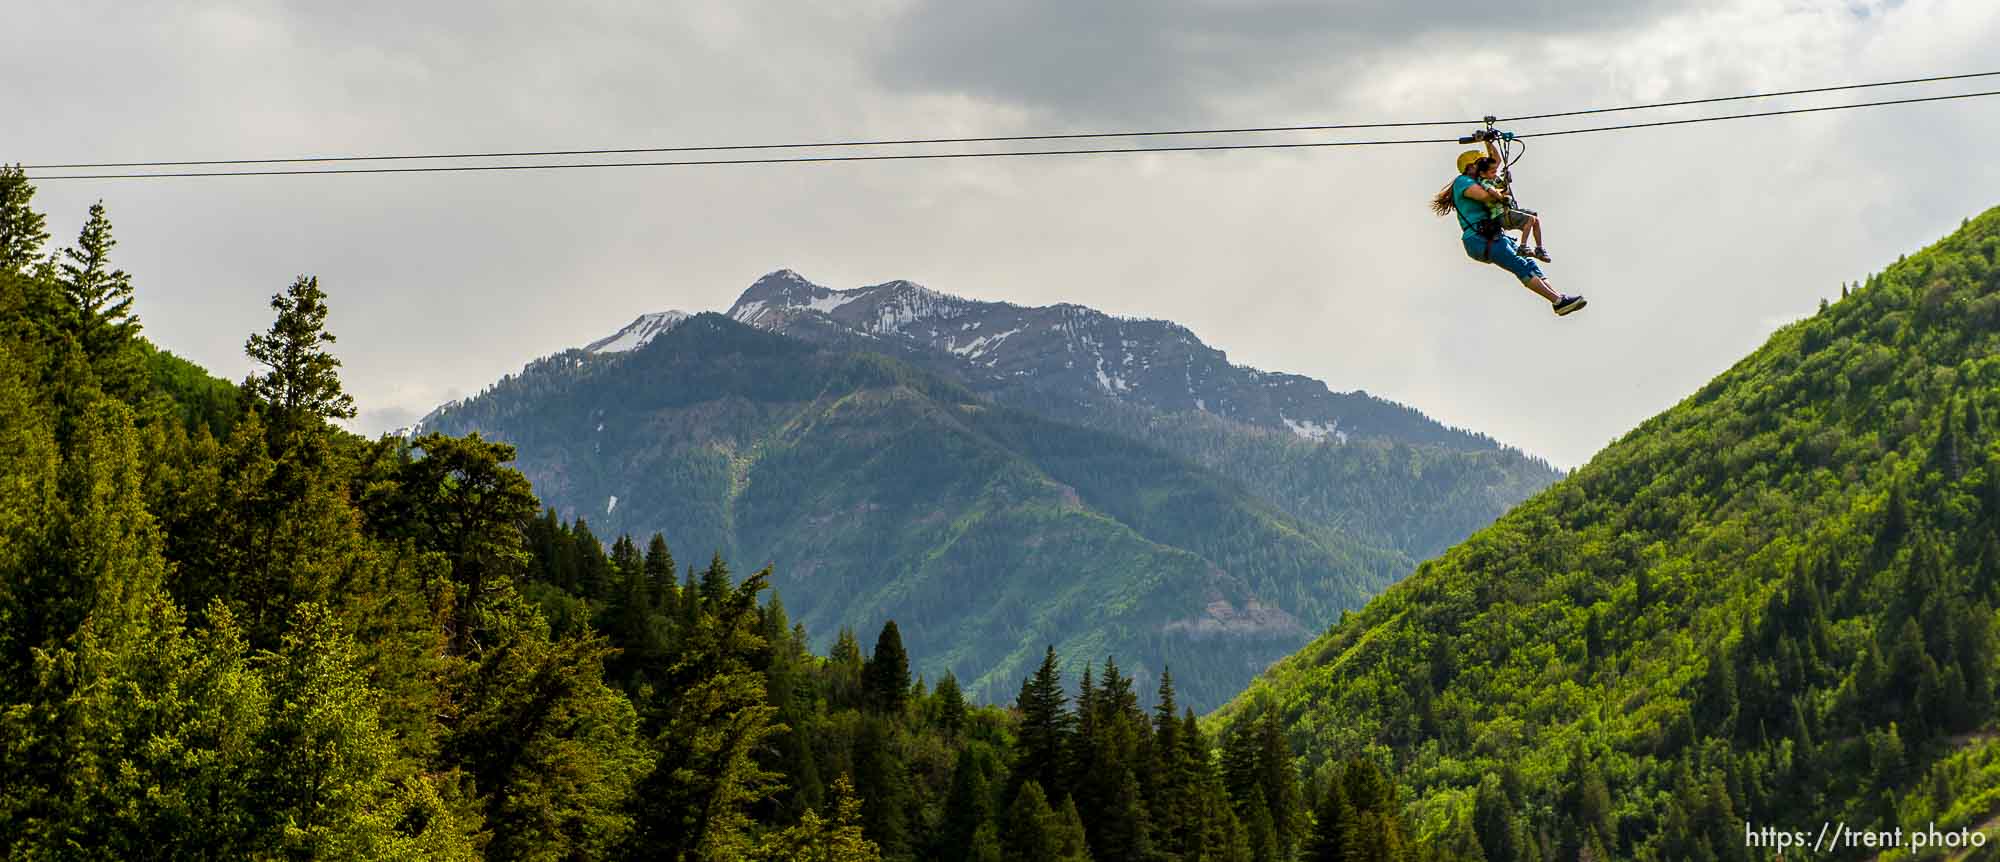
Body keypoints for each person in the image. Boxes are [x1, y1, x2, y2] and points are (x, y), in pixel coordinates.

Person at [1430, 140, 1584, 316]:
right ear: (1471, 166)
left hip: (1491, 234)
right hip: (1479, 238)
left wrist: (1488, 141)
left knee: (1529, 263)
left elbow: (1494, 161)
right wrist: (1501, 194)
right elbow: (1485, 197)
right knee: (1519, 264)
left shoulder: (1481, 179)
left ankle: (1558, 299)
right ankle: (1557, 301)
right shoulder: (1463, 181)